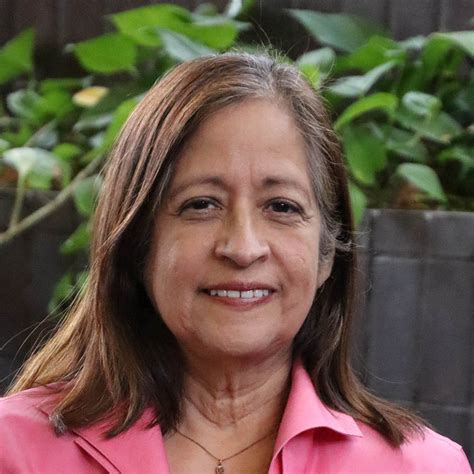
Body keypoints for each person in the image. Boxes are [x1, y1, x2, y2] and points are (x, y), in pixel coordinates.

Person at [0, 52, 471, 474]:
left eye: (282, 207)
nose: (243, 248)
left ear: (327, 253)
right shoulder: (13, 450)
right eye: (201, 204)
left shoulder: (423, 468)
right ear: (137, 243)